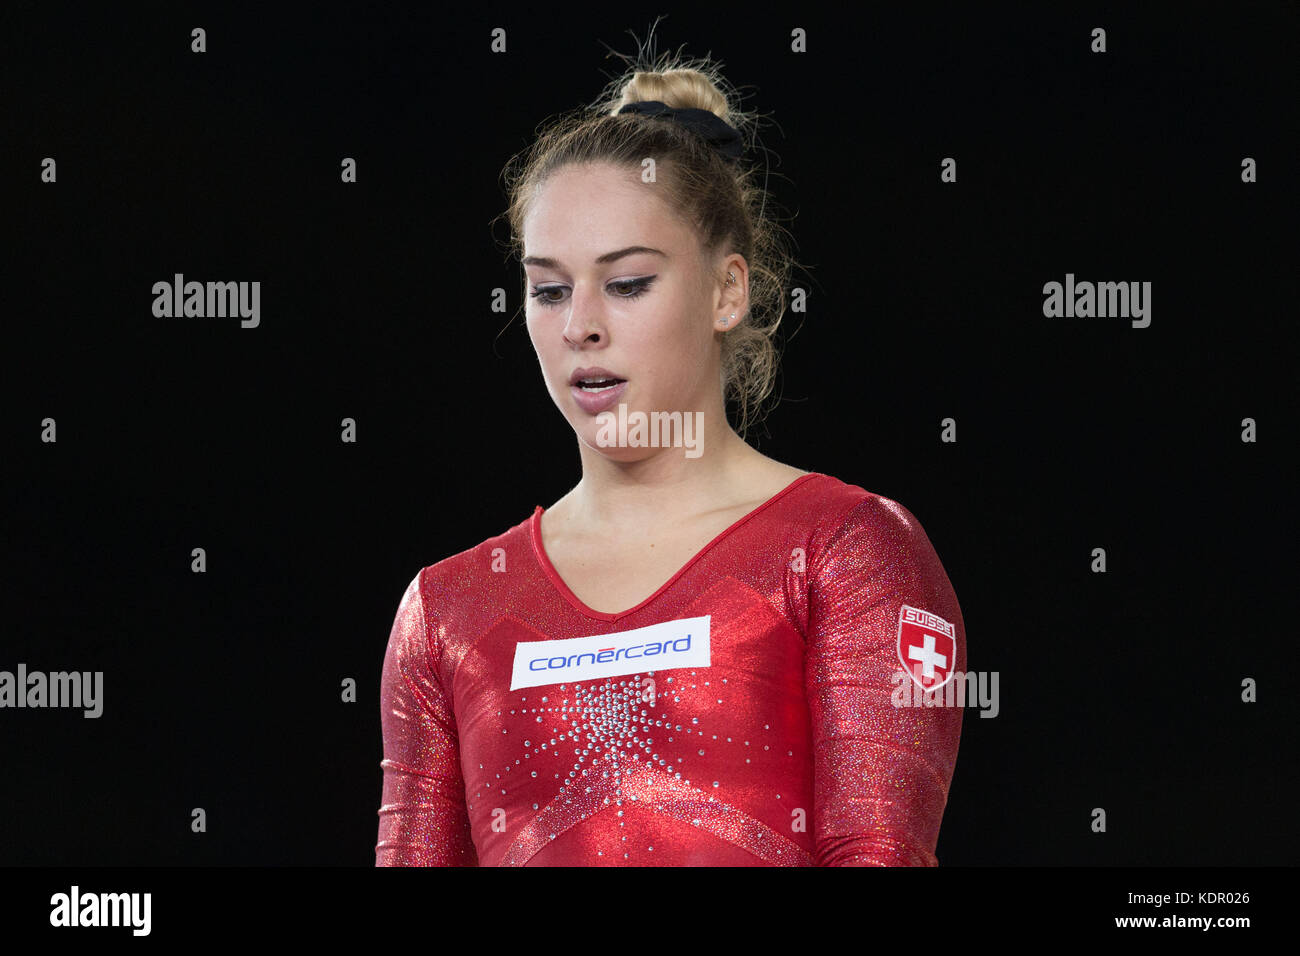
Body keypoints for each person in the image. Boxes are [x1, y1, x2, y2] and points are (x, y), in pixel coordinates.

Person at [375, 53, 966, 866]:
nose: (581, 324)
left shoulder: (846, 551)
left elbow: (879, 853)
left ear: (728, 291)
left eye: (626, 283)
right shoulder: (446, 610)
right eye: (549, 289)